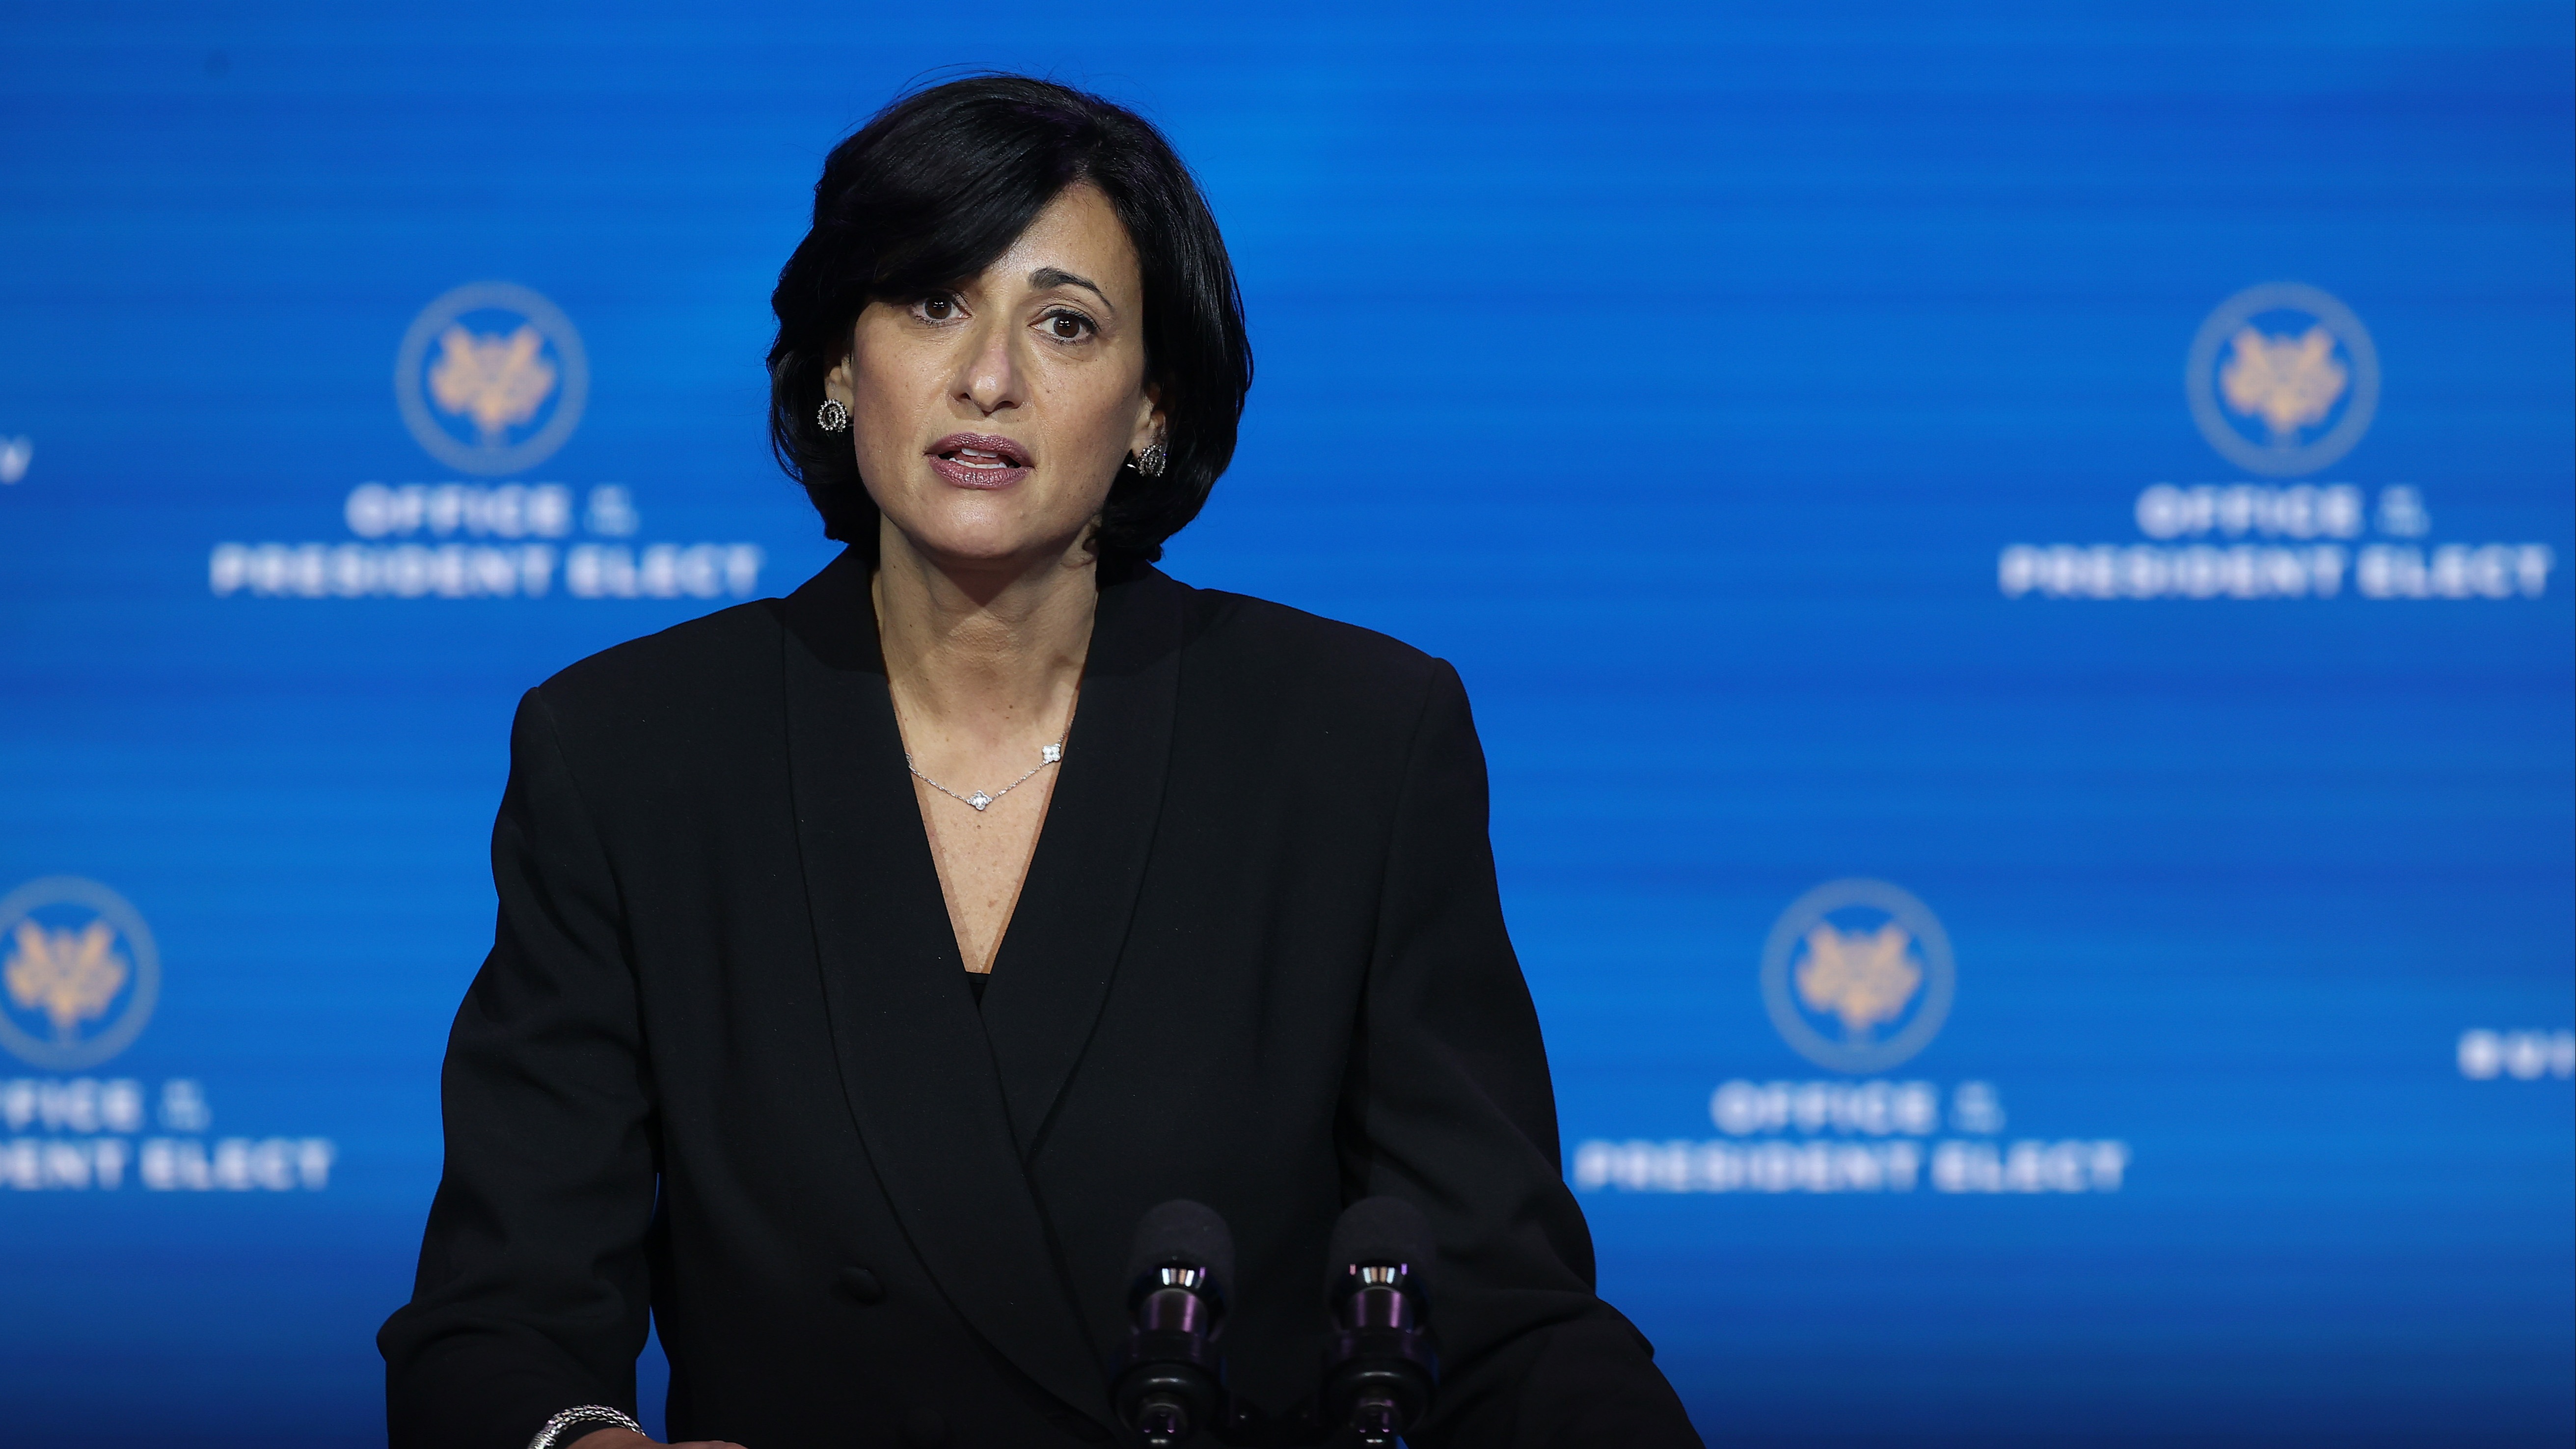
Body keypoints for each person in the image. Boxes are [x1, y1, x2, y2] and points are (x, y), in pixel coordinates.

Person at [378, 75, 1701, 1449]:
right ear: (841, 364)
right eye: (932, 302)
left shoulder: (1355, 742)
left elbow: (1497, 1301)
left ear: (1152, 411)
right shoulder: (631, 754)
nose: (989, 376)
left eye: (1065, 324)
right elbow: (501, 1320)